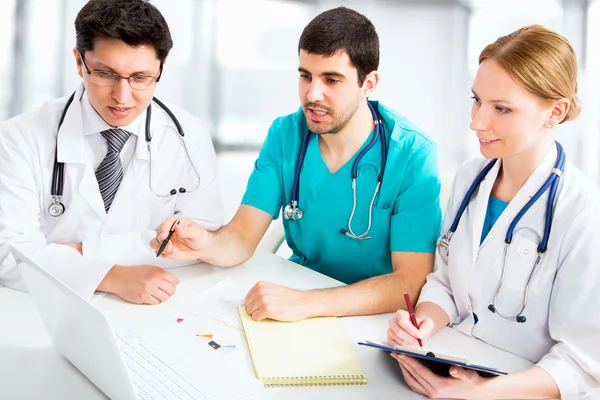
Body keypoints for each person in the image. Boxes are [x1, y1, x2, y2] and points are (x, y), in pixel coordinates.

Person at [151, 7, 442, 322]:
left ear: (368, 83)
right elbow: (241, 237)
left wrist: (308, 304)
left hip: (373, 314)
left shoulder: (412, 155)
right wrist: (202, 243)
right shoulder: (286, 135)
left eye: (331, 79)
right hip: (297, 293)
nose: (312, 94)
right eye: (306, 76)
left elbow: (410, 283)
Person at [387, 25, 600, 399]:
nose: (477, 122)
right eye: (477, 100)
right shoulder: (472, 176)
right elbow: (447, 284)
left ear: (556, 111)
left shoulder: (582, 213)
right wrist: (424, 323)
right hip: (455, 364)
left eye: (501, 109)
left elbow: (583, 363)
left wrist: (481, 394)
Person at [0, 0, 223, 304]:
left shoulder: (188, 135)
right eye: (105, 74)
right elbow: (9, 256)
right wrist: (110, 275)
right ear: (79, 62)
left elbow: (201, 240)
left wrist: (81, 252)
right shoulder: (19, 138)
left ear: (161, 69)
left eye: (140, 78)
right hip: (42, 305)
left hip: (159, 304)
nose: (122, 96)